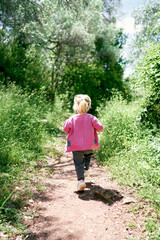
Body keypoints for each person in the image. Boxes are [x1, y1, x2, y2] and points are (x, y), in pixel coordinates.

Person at [63, 94, 103, 191]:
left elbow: (65, 128)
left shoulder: (72, 119)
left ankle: (81, 181)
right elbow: (100, 128)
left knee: (78, 162)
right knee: (88, 157)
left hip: (76, 146)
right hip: (89, 145)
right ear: (88, 106)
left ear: (75, 106)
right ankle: (85, 169)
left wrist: (70, 130)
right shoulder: (91, 118)